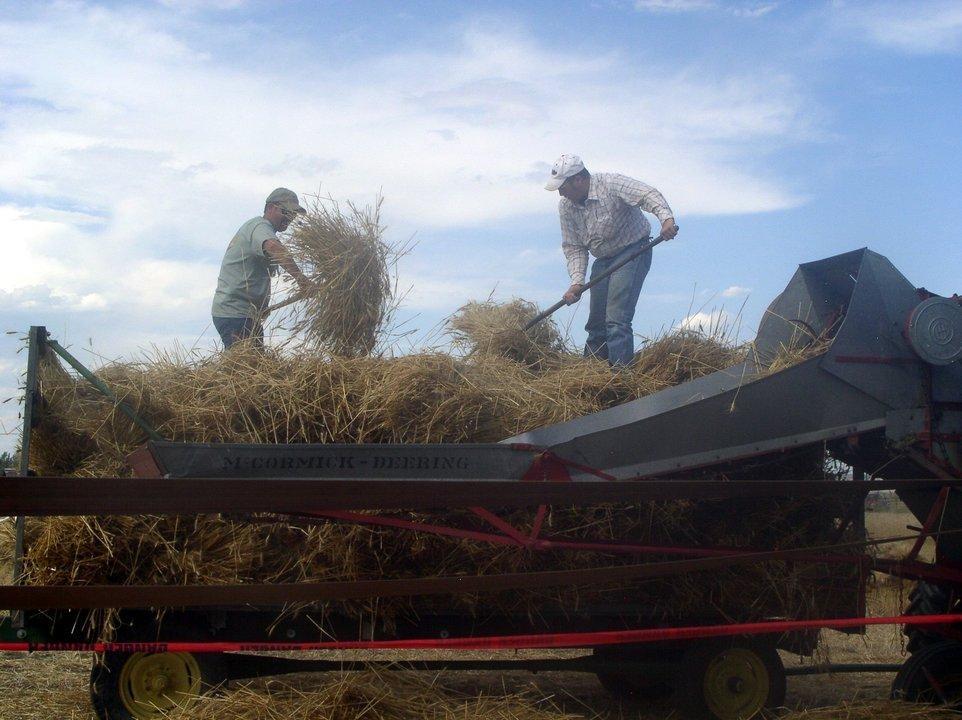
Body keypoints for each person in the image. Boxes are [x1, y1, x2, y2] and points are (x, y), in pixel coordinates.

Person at [545, 154, 679, 367]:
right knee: (596, 323)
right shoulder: (566, 207)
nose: (560, 192)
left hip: (633, 250)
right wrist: (577, 282)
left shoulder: (610, 184)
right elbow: (574, 246)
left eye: (563, 186)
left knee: (616, 319)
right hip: (603, 259)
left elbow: (647, 194)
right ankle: (590, 376)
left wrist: (666, 220)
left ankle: (621, 378)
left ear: (578, 180)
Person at [211, 187, 312, 349]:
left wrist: (262, 307)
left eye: (293, 214)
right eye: (286, 212)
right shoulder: (260, 226)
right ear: (271, 208)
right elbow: (273, 247)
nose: (290, 218)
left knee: (253, 366)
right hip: (235, 312)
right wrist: (302, 279)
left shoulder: (260, 229)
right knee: (245, 368)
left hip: (246, 314)